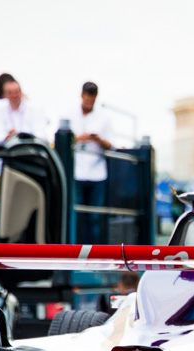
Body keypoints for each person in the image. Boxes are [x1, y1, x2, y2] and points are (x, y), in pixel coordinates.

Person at [0, 76, 49, 197]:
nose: (14, 95)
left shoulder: (34, 110)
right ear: (4, 95)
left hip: (29, 170)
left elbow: (42, 139)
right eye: (10, 93)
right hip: (1, 170)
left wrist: (19, 136)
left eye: (17, 92)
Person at [67, 82, 113, 243]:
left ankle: (94, 258)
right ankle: (77, 255)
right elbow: (60, 141)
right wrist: (78, 138)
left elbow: (111, 145)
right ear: (82, 96)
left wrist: (99, 140)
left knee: (94, 217)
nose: (89, 104)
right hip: (77, 173)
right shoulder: (70, 114)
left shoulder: (104, 117)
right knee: (77, 216)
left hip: (97, 174)